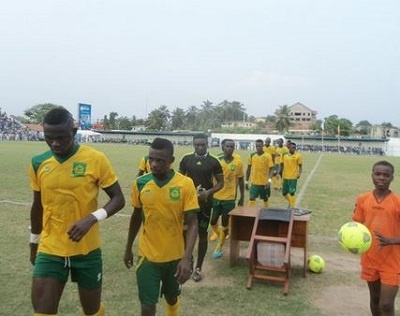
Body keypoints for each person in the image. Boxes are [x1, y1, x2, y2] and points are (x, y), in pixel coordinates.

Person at [29, 107, 125, 316]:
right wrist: (33, 242)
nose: (55, 143)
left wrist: (91, 219)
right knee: (42, 311)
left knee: (92, 311)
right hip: (50, 248)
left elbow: (118, 199)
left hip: (87, 250)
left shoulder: (96, 159)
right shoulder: (38, 163)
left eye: (61, 138)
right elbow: (37, 206)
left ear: (73, 131)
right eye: (49, 138)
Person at [124, 138, 199, 316]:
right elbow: (135, 217)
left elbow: (192, 222)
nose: (154, 164)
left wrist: (187, 257)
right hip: (148, 256)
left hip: (175, 256)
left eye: (160, 161)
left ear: (171, 160)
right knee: (147, 306)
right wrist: (128, 248)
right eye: (151, 159)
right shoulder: (140, 183)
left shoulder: (185, 184)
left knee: (172, 299)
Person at [353, 160, 400, 316]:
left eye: (386, 175)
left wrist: (392, 240)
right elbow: (357, 227)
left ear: (392, 178)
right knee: (375, 298)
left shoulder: (397, 202)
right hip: (370, 257)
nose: (381, 178)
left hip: (392, 260)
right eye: (378, 174)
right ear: (372, 175)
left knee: (386, 304)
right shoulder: (362, 199)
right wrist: (352, 242)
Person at [179, 133, 224, 282]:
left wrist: (208, 193)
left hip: (205, 204)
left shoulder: (214, 162)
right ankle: (189, 259)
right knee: (185, 232)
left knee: (203, 234)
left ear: (207, 144)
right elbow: (179, 180)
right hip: (188, 204)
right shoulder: (186, 159)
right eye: (197, 144)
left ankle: (198, 267)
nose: (200, 147)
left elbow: (220, 183)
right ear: (193, 144)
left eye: (202, 144)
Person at [209, 139, 244, 259]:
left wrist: (242, 197)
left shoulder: (238, 162)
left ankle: (219, 247)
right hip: (216, 195)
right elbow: (210, 177)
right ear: (222, 147)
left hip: (229, 197)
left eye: (232, 146)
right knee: (213, 221)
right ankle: (220, 234)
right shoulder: (216, 160)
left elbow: (240, 180)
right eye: (228, 146)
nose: (230, 148)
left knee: (225, 221)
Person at [245, 139, 274, 208]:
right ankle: (251, 213)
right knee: (252, 198)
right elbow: (248, 169)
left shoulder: (267, 156)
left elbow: (272, 168)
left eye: (259, 146)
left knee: (265, 198)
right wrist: (246, 181)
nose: (258, 147)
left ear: (262, 146)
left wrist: (269, 180)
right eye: (257, 146)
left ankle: (267, 212)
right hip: (254, 182)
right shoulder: (252, 155)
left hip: (264, 183)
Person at [278, 141, 302, 208]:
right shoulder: (284, 155)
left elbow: (300, 166)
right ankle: (291, 202)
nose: (293, 149)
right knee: (284, 193)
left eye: (294, 148)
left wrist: (299, 173)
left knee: (292, 193)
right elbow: (281, 165)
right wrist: (278, 173)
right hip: (285, 177)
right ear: (289, 148)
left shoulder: (298, 156)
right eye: (292, 147)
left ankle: (292, 208)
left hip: (293, 178)